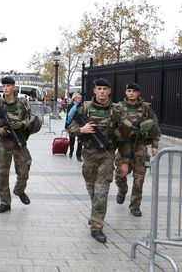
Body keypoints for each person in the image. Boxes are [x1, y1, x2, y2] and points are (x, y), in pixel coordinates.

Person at [67, 78, 123, 244]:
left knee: (101, 190)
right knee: (92, 188)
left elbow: (124, 134)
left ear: (109, 91)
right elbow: (69, 128)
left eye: (104, 89)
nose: (101, 92)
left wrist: (124, 159)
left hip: (107, 154)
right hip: (89, 154)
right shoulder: (84, 108)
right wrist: (81, 129)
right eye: (99, 89)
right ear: (94, 91)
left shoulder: (116, 110)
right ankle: (95, 214)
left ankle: (97, 226)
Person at [0, 76, 33, 213]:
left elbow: (31, 118)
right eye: (4, 86)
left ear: (14, 87)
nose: (5, 88)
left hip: (20, 142)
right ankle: (5, 202)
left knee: (24, 172)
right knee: (2, 175)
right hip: (4, 144)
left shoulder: (23, 102)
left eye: (8, 86)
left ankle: (19, 190)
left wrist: (22, 124)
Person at [115, 83, 161, 217]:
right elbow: (114, 126)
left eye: (134, 91)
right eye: (129, 91)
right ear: (126, 92)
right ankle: (122, 190)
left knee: (139, 179)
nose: (131, 93)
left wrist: (154, 145)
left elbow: (155, 127)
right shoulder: (119, 108)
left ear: (138, 93)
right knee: (120, 174)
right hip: (124, 147)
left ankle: (135, 205)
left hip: (140, 148)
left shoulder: (146, 108)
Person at [65, 93, 83, 162]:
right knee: (72, 140)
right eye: (78, 97)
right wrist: (66, 125)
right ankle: (71, 152)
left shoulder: (82, 106)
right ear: (74, 98)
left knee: (80, 141)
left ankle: (78, 155)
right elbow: (68, 116)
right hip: (72, 125)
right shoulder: (71, 105)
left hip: (80, 125)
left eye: (80, 97)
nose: (80, 99)